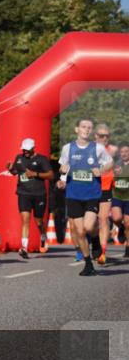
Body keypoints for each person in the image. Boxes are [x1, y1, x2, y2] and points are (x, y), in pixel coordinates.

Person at [57, 118, 114, 276]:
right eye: (83, 127)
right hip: (73, 194)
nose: (86, 129)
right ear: (77, 129)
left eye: (89, 127)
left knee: (88, 227)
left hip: (92, 194)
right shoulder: (68, 148)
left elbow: (110, 163)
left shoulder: (98, 148)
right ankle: (88, 264)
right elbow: (62, 167)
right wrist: (63, 170)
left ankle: (95, 240)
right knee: (80, 232)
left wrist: (101, 170)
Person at [5, 138, 53, 259]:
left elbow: (51, 175)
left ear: (33, 148)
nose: (25, 152)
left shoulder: (41, 159)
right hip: (23, 193)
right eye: (23, 149)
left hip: (39, 194)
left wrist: (35, 174)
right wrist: (10, 168)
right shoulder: (19, 158)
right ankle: (24, 247)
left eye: (27, 150)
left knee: (38, 221)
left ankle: (42, 235)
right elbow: (16, 172)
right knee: (25, 219)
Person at [94, 124, 118, 264]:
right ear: (96, 136)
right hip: (89, 188)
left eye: (107, 136)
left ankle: (103, 251)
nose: (105, 138)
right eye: (102, 136)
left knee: (103, 218)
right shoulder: (88, 149)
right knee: (90, 223)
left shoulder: (113, 151)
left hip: (105, 188)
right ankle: (94, 242)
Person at [111, 143, 129, 260]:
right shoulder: (116, 165)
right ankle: (120, 229)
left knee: (128, 223)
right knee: (116, 218)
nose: (124, 154)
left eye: (126, 151)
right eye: (122, 152)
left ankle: (128, 247)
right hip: (117, 196)